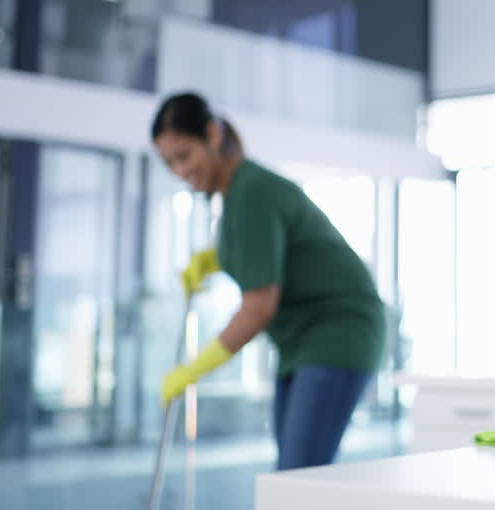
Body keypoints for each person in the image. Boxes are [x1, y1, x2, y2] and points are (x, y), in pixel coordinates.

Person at [151, 92, 385, 470]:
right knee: (292, 480)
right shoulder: (237, 194)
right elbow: (268, 249)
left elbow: (259, 307)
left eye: (184, 156)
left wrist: (193, 369)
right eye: (169, 163)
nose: (179, 171)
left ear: (211, 135)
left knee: (300, 479)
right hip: (300, 342)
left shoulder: (252, 191)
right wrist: (213, 259)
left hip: (339, 334)